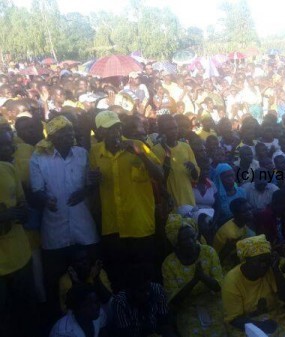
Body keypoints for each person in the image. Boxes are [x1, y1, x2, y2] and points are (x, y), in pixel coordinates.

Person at [29, 116, 99, 319]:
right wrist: (46, 200)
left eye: (70, 131)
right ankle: (59, 318)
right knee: (56, 277)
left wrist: (85, 190)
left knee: (90, 272)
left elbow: (92, 182)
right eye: (63, 133)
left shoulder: (82, 154)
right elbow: (36, 190)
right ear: (51, 137)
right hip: (55, 227)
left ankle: (94, 314)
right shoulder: (39, 157)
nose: (70, 135)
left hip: (82, 224)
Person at [89, 110, 163, 290]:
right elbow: (93, 185)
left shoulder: (138, 145)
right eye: (109, 129)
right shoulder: (94, 152)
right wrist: (92, 180)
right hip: (113, 227)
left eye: (117, 127)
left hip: (139, 225)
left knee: (147, 275)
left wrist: (141, 154)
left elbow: (160, 175)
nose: (115, 132)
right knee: (120, 276)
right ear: (99, 133)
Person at [0, 116, 38, 337]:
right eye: (2, 146)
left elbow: (23, 204)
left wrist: (22, 213)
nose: (9, 149)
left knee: (26, 312)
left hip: (21, 256)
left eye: (9, 144)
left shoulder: (9, 168)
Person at [221, 235, 285, 337]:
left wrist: (276, 270)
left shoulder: (270, 270)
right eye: (259, 261)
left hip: (274, 315)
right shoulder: (231, 281)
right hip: (247, 323)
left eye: (267, 260)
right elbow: (234, 319)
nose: (264, 265)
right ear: (246, 261)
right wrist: (260, 326)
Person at [161, 214, 226, 337]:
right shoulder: (169, 264)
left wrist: (203, 277)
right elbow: (174, 301)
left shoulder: (208, 252)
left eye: (193, 236)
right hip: (188, 309)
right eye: (185, 239)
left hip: (213, 303)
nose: (192, 242)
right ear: (176, 243)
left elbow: (219, 287)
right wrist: (194, 280)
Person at [111, 264, 176, 337]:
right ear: (131, 289)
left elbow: (164, 321)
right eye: (142, 290)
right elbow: (125, 334)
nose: (147, 293)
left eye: (148, 288)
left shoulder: (157, 289)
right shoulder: (120, 302)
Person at [152, 114, 199, 208]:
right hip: (170, 202)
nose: (174, 131)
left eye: (175, 128)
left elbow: (195, 177)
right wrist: (166, 153)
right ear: (161, 131)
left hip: (188, 199)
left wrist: (193, 169)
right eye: (169, 129)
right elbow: (159, 179)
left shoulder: (186, 147)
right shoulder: (155, 150)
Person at [213, 197, 256, 272]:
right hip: (227, 267)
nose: (249, 212)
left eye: (250, 209)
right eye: (244, 211)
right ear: (236, 214)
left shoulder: (242, 223)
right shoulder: (230, 233)